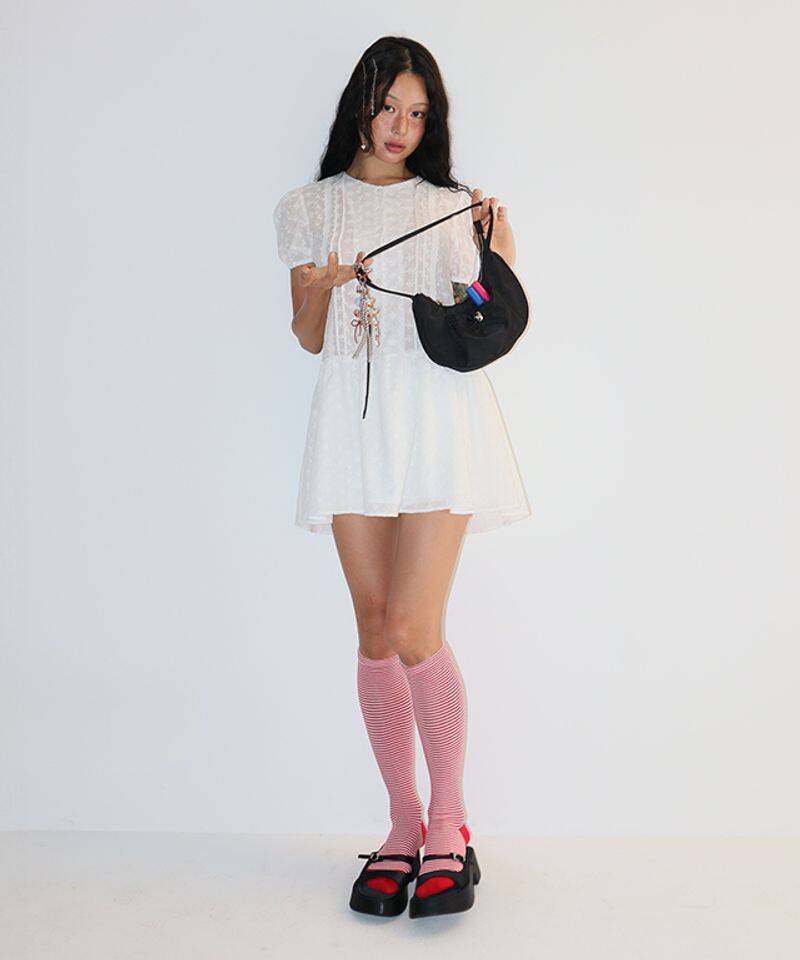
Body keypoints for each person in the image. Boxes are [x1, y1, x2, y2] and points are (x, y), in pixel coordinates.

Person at [273, 36, 532, 918]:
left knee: (418, 626)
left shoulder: (453, 208)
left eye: (418, 114)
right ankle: (401, 826)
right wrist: (325, 284)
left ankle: (450, 825)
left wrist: (497, 252)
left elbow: (484, 320)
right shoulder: (309, 208)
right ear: (360, 103)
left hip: (436, 424)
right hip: (351, 429)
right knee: (378, 630)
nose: (400, 127)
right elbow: (308, 335)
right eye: (389, 107)